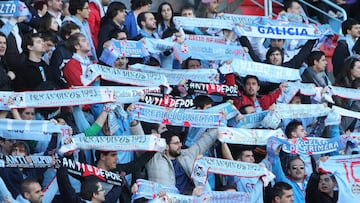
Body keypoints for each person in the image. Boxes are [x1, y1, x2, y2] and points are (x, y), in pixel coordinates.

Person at [145, 128, 219, 194]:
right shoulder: (154, 159)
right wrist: (134, 123)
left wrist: (220, 123)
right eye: (176, 143)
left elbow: (205, 141)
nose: (180, 145)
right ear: (166, 146)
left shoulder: (187, 155)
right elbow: (140, 140)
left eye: (180, 142)